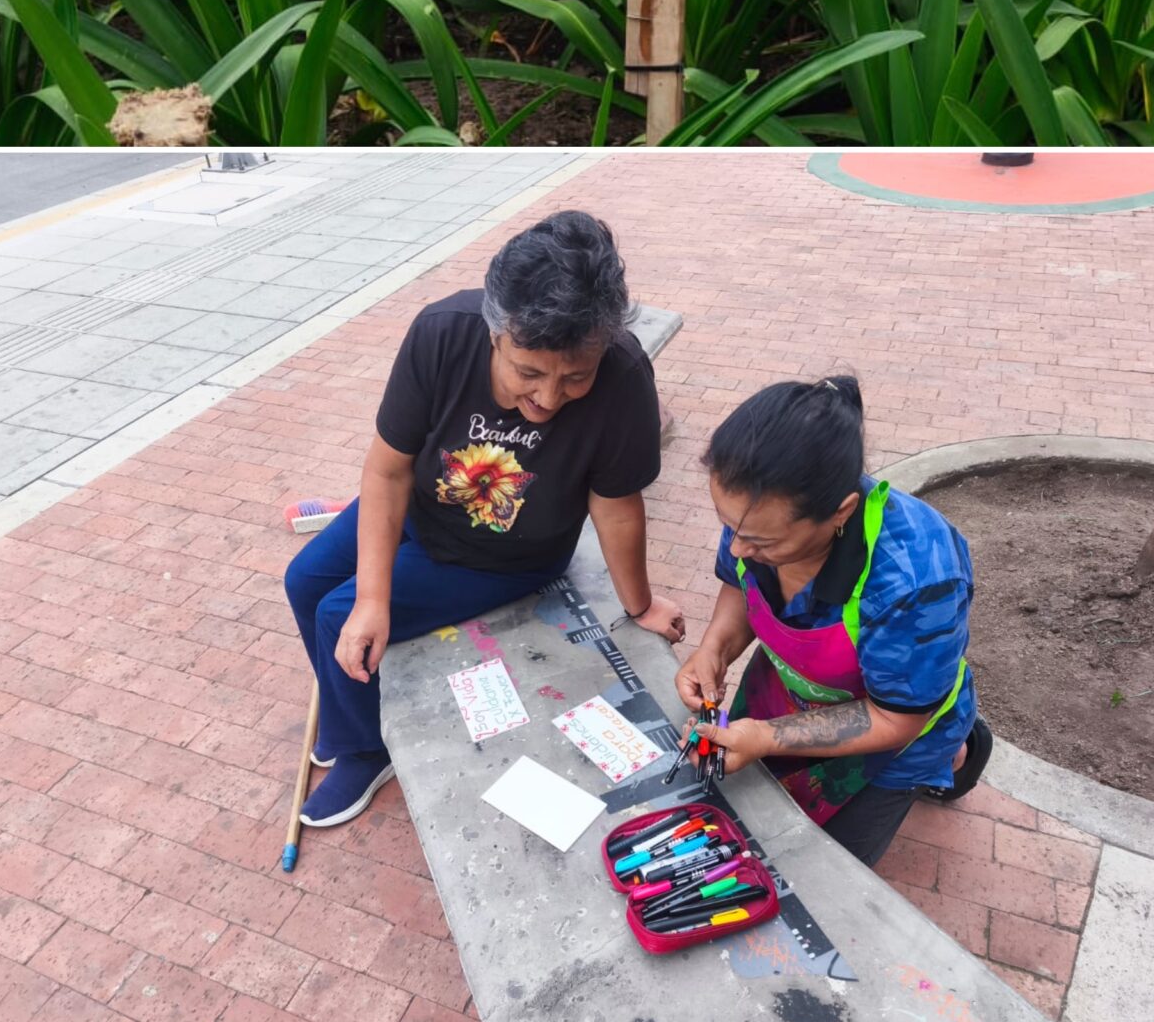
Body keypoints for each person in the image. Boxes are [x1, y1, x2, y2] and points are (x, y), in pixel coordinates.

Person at [285, 210, 683, 830]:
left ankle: (366, 749)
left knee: (340, 612)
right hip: (419, 506)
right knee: (307, 580)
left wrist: (640, 605)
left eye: (574, 378)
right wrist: (374, 595)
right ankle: (351, 713)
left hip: (504, 553)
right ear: (495, 331)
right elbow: (388, 470)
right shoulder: (441, 333)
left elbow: (616, 506)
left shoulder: (625, 377)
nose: (549, 400)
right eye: (529, 372)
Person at [681, 376, 988, 867]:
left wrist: (765, 737)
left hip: (897, 728)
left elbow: (894, 718)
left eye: (761, 542)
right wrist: (713, 648)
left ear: (840, 512)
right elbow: (740, 583)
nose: (738, 548)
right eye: (727, 526)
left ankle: (957, 750)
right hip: (792, 687)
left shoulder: (916, 580)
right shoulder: (753, 518)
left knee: (831, 863)